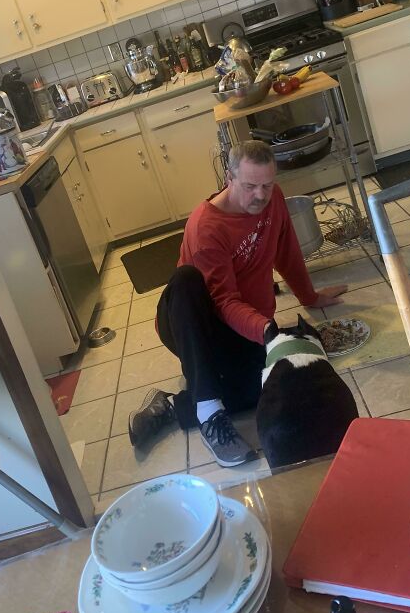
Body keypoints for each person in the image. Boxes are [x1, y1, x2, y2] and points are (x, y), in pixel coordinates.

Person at [128, 140, 348, 467]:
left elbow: (287, 252)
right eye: (249, 186)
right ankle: (209, 411)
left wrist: (310, 297)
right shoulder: (207, 226)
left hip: (241, 326)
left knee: (267, 386)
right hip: (194, 323)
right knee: (187, 279)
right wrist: (265, 330)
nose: (260, 195)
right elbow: (223, 301)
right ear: (229, 178)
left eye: (267, 185)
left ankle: (174, 405)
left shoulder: (272, 200)